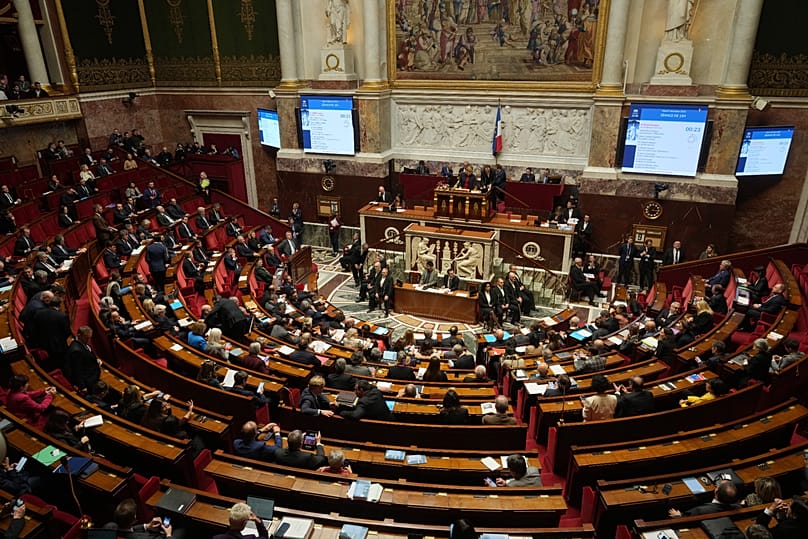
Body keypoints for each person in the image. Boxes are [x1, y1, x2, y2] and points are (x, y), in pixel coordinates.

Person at [107, 498, 179, 539]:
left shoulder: (109, 526)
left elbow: (129, 530)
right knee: (183, 529)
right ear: (134, 520)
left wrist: (146, 525)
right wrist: (168, 534)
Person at [668, 481, 741, 517]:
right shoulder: (737, 507)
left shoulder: (700, 511)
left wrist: (679, 516)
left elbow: (686, 517)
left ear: (716, 491)